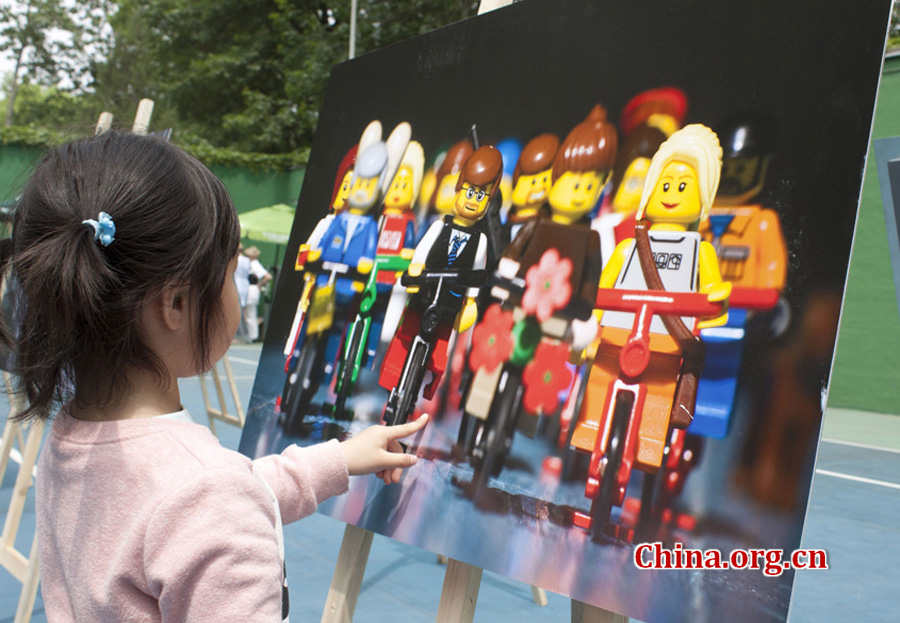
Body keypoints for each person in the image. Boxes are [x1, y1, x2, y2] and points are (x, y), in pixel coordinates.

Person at [0, 130, 427, 622]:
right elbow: (210, 501)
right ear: (177, 303)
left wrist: (337, 460)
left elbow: (212, 497)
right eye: (227, 275)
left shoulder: (76, 434)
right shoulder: (205, 496)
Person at [243, 246, 272, 342]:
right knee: (248, 313)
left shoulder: (255, 264)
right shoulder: (251, 264)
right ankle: (251, 335)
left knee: (250, 313)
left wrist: (259, 285)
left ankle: (252, 336)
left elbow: (268, 276)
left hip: (252, 289)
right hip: (251, 289)